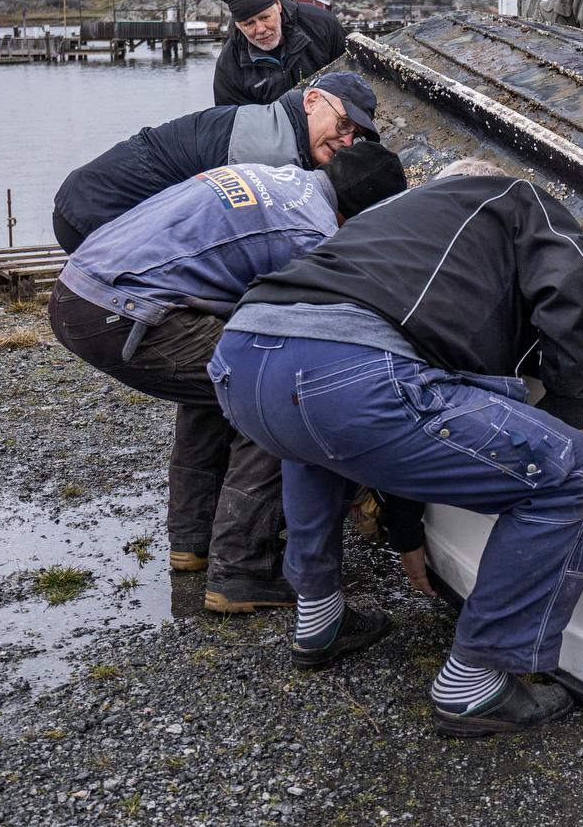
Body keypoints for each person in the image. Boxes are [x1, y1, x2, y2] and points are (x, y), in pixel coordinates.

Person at [211, 158, 583, 736]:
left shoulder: (382, 218)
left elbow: (386, 437)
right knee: (574, 474)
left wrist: (407, 531)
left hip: (241, 359)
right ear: (479, 181)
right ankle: (476, 680)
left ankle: (317, 619)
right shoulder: (510, 195)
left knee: (313, 445)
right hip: (343, 371)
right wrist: (569, 408)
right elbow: (577, 285)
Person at [48, 145, 409, 612]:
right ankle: (243, 572)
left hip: (77, 287)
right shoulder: (312, 235)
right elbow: (324, 339)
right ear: (363, 215)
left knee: (218, 377)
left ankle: (192, 542)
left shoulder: (272, 176)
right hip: (119, 312)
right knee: (271, 396)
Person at [50, 70, 379, 253]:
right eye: (344, 124)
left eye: (357, 135)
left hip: (92, 201)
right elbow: (247, 246)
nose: (347, 141)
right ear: (311, 101)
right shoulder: (268, 156)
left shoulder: (276, 124)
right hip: (95, 213)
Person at [212, 0, 348, 107]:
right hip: (272, 127)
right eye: (249, 23)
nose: (260, 29)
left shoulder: (322, 24)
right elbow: (230, 119)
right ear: (238, 25)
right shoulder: (229, 64)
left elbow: (353, 77)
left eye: (265, 17)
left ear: (278, 5)